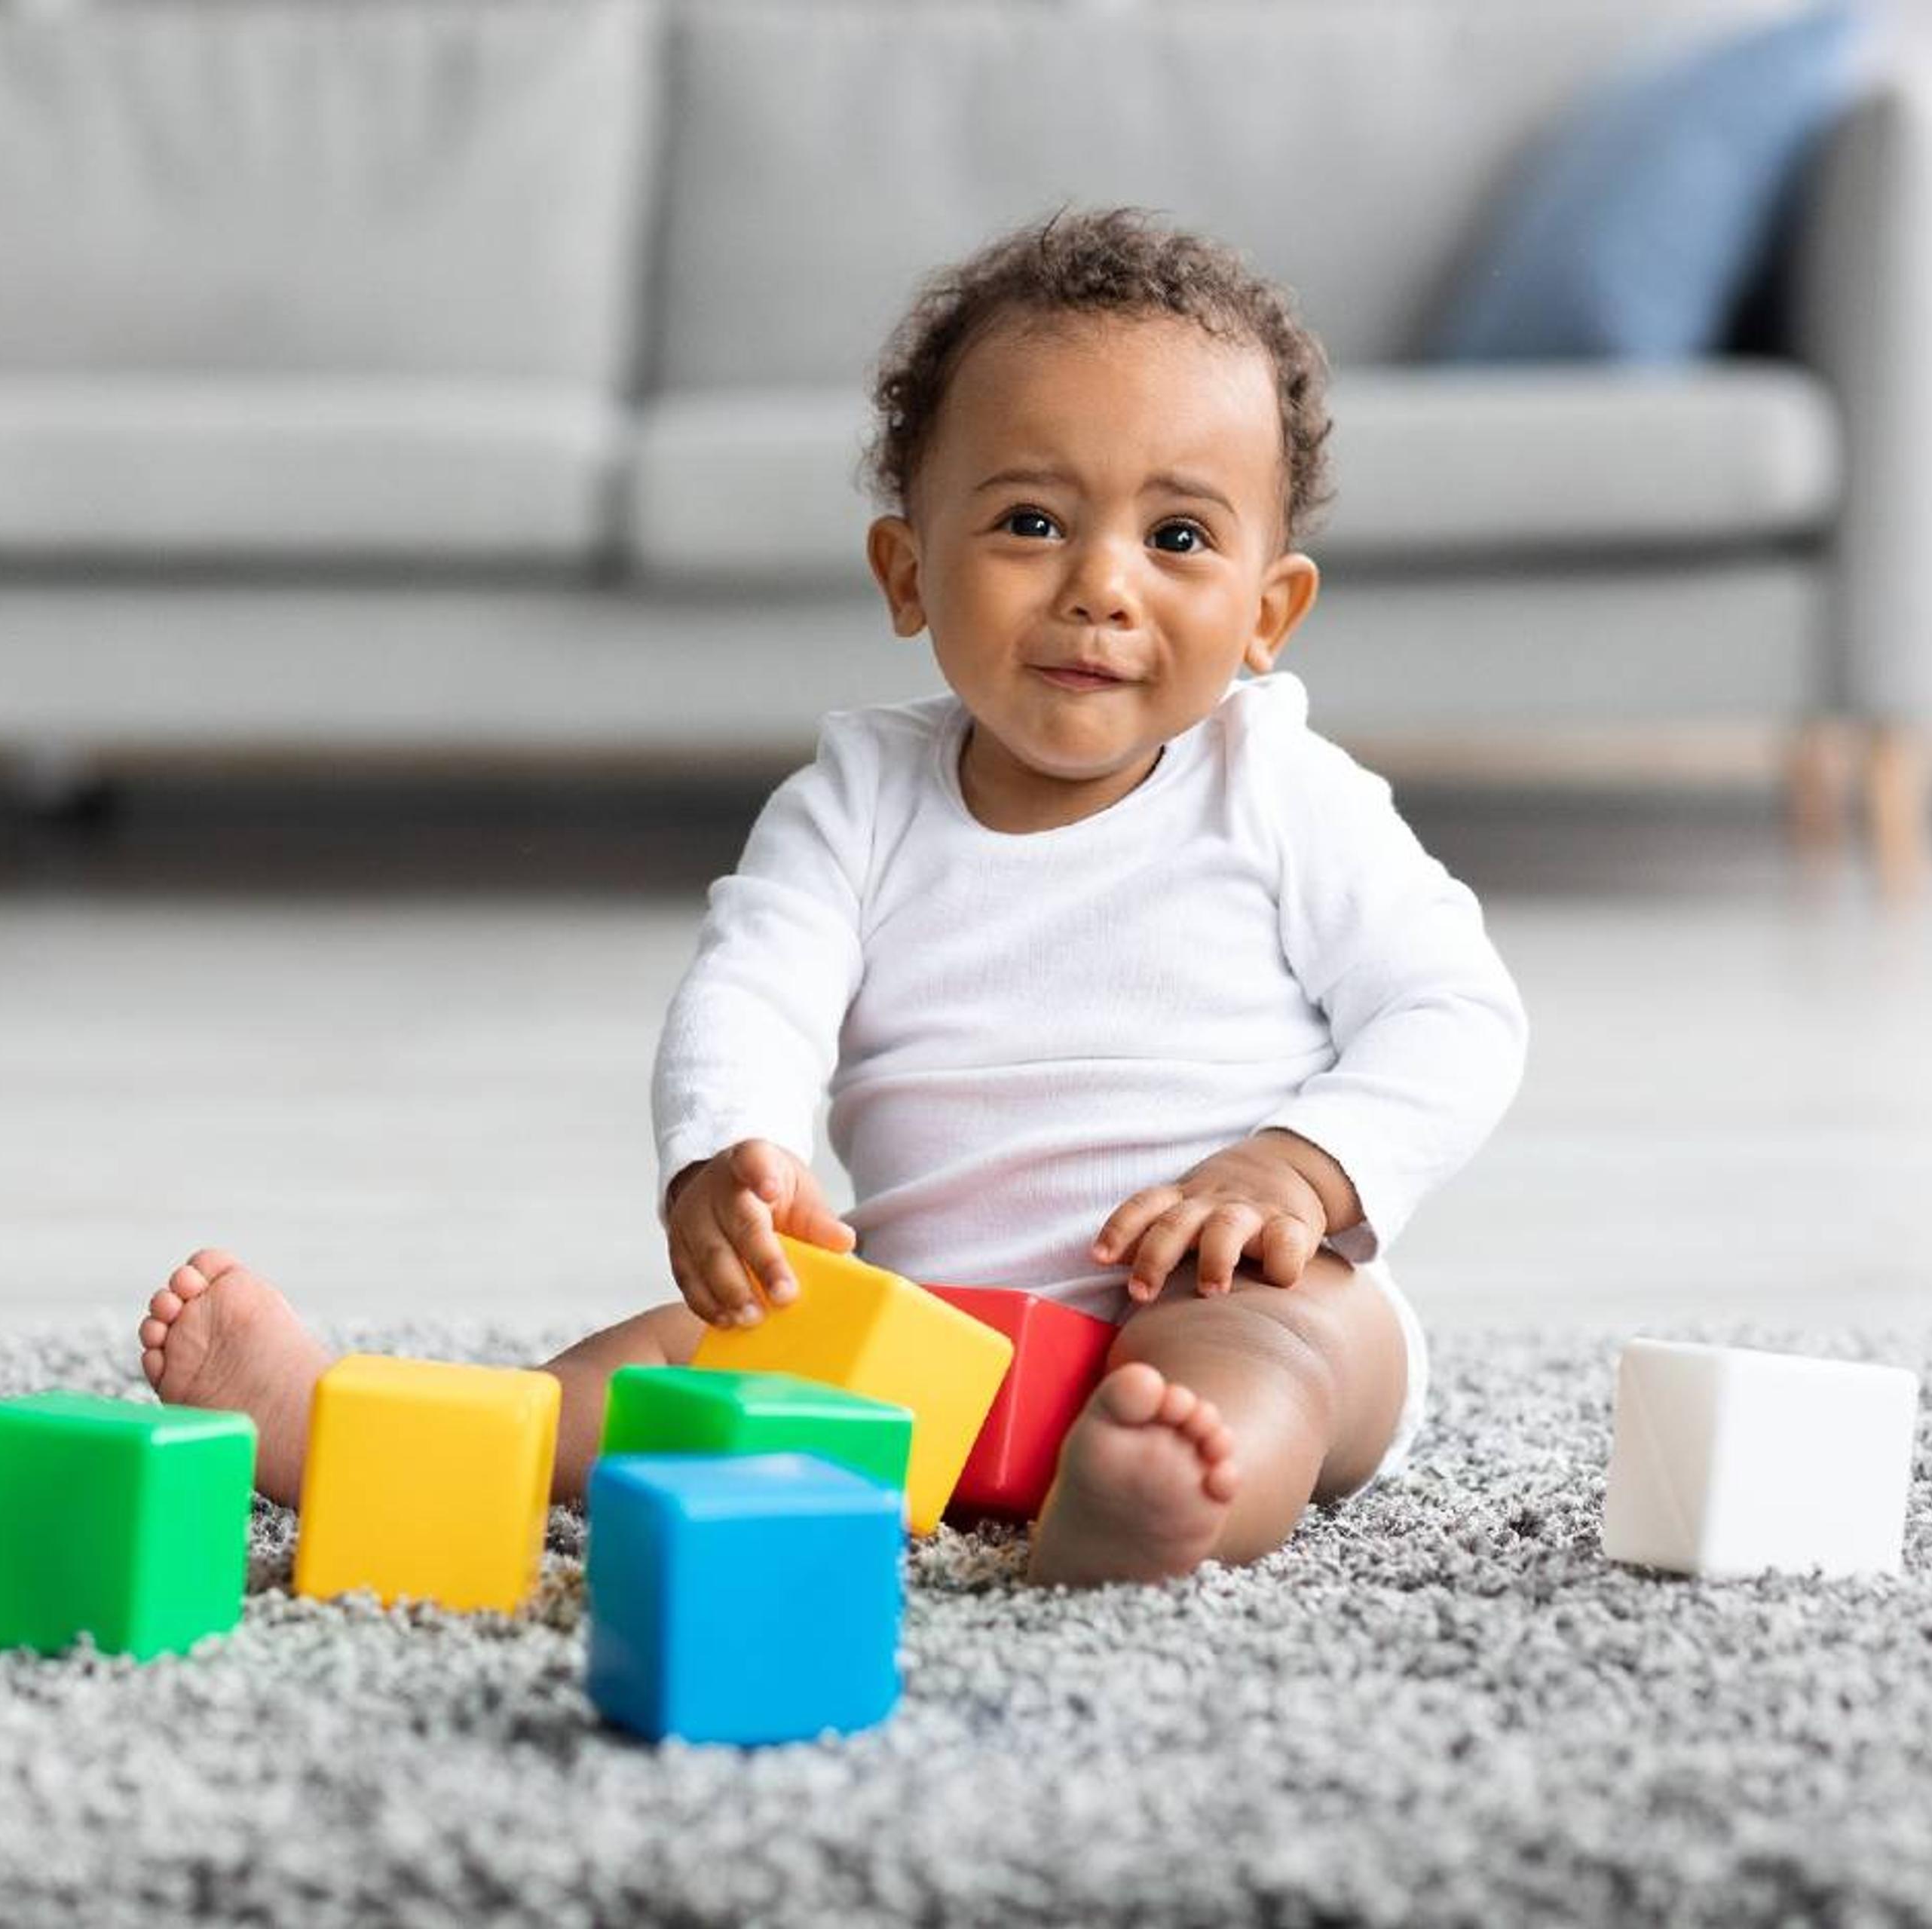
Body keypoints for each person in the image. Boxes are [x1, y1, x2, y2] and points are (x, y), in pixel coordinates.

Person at [137, 207, 1528, 1588]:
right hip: (926, 1340)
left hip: (1231, 1289)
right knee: (675, 1361)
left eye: (1177, 537)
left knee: (1269, 1367)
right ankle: (354, 1430)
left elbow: (1455, 1012)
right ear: (908, 572)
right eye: (1033, 521)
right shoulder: (857, 797)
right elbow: (753, 990)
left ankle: (1150, 1508)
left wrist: (1298, 1169)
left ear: (1269, 612)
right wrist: (728, 1158)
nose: (1102, 586)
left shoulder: (1281, 788)